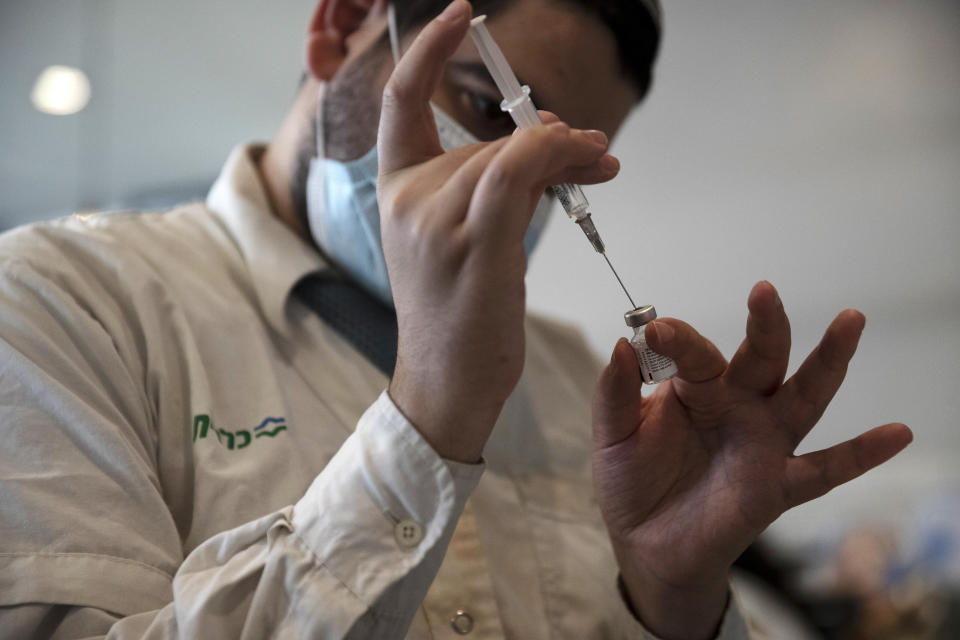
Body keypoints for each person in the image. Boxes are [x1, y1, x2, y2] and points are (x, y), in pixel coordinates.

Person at [0, 0, 913, 638]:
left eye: (560, 175)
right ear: (339, 27)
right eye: (489, 108)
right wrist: (430, 415)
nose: (514, 186)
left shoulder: (571, 382)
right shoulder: (63, 304)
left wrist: (672, 603)